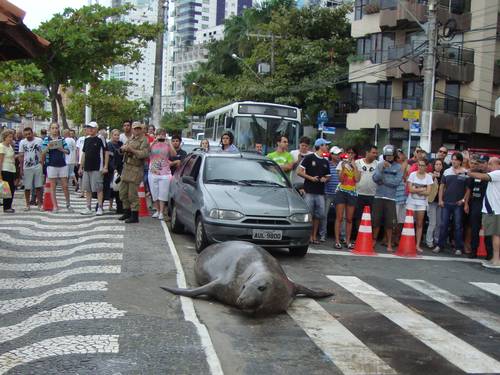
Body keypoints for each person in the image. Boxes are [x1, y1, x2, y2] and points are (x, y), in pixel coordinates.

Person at [433, 152, 469, 255]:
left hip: (458, 204)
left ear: (460, 161)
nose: (454, 161)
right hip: (446, 203)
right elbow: (441, 187)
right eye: (452, 159)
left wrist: (463, 201)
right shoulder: (446, 172)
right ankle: (440, 245)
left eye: (456, 159)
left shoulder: (465, 172)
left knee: (458, 226)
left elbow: (468, 190)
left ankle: (458, 247)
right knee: (443, 225)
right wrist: (440, 200)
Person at [297, 138, 331, 244]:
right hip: (309, 191)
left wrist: (324, 179)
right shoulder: (309, 157)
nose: (327, 147)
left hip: (320, 192)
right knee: (309, 215)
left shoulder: (325, 161)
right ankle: (307, 237)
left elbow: (328, 176)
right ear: (320, 146)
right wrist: (311, 178)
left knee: (319, 215)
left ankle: (314, 236)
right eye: (326, 145)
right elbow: (299, 171)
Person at [468, 157, 500, 268]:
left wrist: (469, 172)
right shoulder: (495, 174)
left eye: (491, 164)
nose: (488, 166)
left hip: (495, 210)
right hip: (492, 209)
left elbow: (482, 176)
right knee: (493, 234)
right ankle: (493, 258)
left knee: (496, 235)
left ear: (497, 165)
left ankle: (496, 259)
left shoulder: (497, 173)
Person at [372, 145, 403, 253]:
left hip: (391, 198)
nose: (389, 157)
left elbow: (396, 182)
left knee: (390, 223)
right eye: (387, 155)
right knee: (375, 220)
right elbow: (375, 178)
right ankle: (374, 240)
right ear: (384, 155)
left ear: (394, 156)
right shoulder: (380, 165)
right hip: (379, 196)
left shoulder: (398, 167)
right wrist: (382, 169)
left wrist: (383, 181)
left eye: (391, 155)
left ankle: (389, 243)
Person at [118, 122, 150, 223]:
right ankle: (126, 211)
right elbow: (123, 148)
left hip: (136, 168)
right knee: (123, 192)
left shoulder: (144, 140)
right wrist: (123, 149)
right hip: (127, 167)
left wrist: (131, 149)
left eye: (138, 129)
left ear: (141, 129)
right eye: (135, 129)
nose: (136, 130)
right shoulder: (131, 138)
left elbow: (143, 154)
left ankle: (134, 215)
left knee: (132, 194)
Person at [465, 154, 492, 259]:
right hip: (476, 204)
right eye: (479, 163)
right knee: (474, 229)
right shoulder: (475, 174)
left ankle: (490, 254)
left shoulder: (492, 175)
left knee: (488, 231)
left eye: (483, 163)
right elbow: (469, 190)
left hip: (488, 205)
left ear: (487, 164)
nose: (481, 165)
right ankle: (473, 251)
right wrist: (466, 203)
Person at [79, 121, 109, 216]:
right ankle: (88, 207)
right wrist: (81, 166)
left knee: (99, 188)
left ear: (96, 129)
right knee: (88, 188)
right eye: (88, 127)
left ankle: (100, 207)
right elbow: (84, 153)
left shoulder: (100, 138)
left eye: (92, 128)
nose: (90, 129)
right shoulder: (86, 139)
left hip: (97, 167)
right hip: (87, 167)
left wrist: (105, 166)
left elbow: (106, 152)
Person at [334, 148, 360, 249]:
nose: (350, 155)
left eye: (352, 153)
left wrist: (354, 166)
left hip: (352, 192)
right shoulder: (341, 164)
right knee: (339, 217)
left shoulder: (357, 164)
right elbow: (340, 179)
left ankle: (348, 241)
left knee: (349, 219)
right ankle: (337, 241)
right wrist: (344, 168)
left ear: (355, 155)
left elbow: (357, 179)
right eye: (348, 153)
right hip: (341, 191)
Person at [41, 123, 71, 212]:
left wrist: (61, 149)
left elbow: (68, 151)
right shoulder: (46, 139)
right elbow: (42, 152)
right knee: (52, 187)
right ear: (50, 129)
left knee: (65, 186)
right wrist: (48, 147)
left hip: (62, 164)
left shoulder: (62, 139)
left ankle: (68, 203)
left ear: (58, 129)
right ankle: (55, 206)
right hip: (51, 164)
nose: (54, 130)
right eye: (53, 128)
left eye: (56, 128)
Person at [406, 159, 433, 253]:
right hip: (411, 202)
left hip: (422, 203)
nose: (420, 167)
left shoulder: (428, 177)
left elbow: (428, 192)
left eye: (423, 165)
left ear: (426, 167)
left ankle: (417, 245)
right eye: (419, 165)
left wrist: (416, 189)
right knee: (409, 223)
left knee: (419, 224)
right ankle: (407, 242)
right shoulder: (412, 174)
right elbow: (410, 189)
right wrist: (422, 189)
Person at [149, 128, 176, 220]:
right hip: (153, 171)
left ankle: (161, 212)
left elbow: (173, 154)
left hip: (165, 172)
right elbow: (146, 152)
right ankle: (157, 210)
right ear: (156, 135)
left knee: (163, 193)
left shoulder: (167, 144)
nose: (161, 136)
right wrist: (154, 141)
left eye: (163, 134)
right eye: (159, 134)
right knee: (154, 192)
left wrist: (169, 143)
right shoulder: (152, 144)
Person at [353, 145, 378, 237]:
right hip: (359, 194)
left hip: (372, 195)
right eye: (373, 152)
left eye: (376, 153)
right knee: (358, 217)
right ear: (367, 153)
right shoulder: (357, 162)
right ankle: (358, 236)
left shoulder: (378, 164)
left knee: (370, 218)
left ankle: (367, 237)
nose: (375, 155)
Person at [319, 146, 342, 242]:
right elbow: (323, 176)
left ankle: (341, 236)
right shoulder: (326, 164)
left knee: (340, 216)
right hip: (328, 193)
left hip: (339, 193)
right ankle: (323, 235)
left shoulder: (342, 164)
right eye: (336, 154)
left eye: (339, 154)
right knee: (324, 215)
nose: (338, 156)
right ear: (331, 155)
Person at [18, 127, 43, 211]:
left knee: (38, 186)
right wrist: (21, 168)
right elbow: (21, 155)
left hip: (37, 165)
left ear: (32, 133)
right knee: (27, 187)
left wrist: (42, 163)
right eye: (26, 134)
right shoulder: (22, 142)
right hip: (26, 166)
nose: (28, 136)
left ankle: (40, 204)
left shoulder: (39, 140)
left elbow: (43, 152)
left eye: (29, 134)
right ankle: (27, 204)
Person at [425, 159, 444, 248]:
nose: (438, 166)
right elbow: (427, 185)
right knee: (432, 222)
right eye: (437, 164)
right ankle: (429, 241)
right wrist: (433, 177)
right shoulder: (429, 175)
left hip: (440, 202)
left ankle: (437, 240)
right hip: (431, 201)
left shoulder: (444, 176)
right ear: (434, 166)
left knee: (439, 223)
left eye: (440, 164)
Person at [107, 129, 124, 213]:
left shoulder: (121, 144)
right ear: (111, 135)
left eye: (118, 135)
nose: (117, 136)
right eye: (115, 135)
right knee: (111, 188)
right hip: (112, 170)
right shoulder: (109, 145)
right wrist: (113, 169)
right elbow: (110, 158)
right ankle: (105, 206)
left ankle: (119, 207)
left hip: (120, 168)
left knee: (119, 189)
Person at [0, 129, 17, 213]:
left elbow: (12, 157)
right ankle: (6, 207)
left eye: (12, 137)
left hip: (11, 169)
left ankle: (9, 205)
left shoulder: (10, 146)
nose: (11, 138)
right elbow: (0, 160)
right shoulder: (2, 146)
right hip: (5, 169)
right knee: (7, 189)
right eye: (9, 137)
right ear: (5, 137)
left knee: (12, 188)